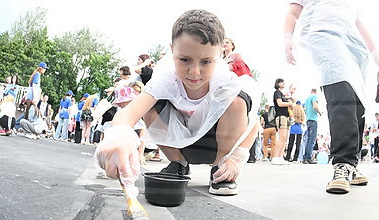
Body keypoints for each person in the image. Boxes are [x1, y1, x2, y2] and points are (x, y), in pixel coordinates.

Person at [95, 9, 259, 196]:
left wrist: (237, 156)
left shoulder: (226, 81)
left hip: (215, 147)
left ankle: (220, 171)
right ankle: (178, 164)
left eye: (206, 62)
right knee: (150, 108)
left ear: (220, 54)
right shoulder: (167, 78)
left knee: (238, 102)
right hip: (181, 146)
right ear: (172, 50)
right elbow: (129, 113)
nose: (194, 71)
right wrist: (119, 136)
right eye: (185, 59)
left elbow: (253, 124)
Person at [284, 0, 376, 193]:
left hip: (354, 46)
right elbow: (293, 13)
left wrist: (375, 52)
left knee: (357, 101)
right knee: (341, 92)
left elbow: (359, 23)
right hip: (324, 36)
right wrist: (287, 37)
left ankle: (352, 164)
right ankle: (342, 163)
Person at [271, 78, 293, 165]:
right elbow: (279, 103)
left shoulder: (282, 94)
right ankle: (275, 157)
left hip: (286, 117)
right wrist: (289, 104)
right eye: (282, 82)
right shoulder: (277, 93)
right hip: (281, 117)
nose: (284, 84)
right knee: (282, 137)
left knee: (285, 138)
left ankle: (280, 157)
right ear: (278, 83)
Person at [302, 88, 321, 164]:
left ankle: (305, 157)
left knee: (308, 139)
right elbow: (315, 106)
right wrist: (319, 112)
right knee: (312, 139)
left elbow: (304, 108)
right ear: (316, 92)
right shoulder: (314, 97)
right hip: (313, 119)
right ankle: (308, 157)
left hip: (308, 119)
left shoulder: (307, 99)